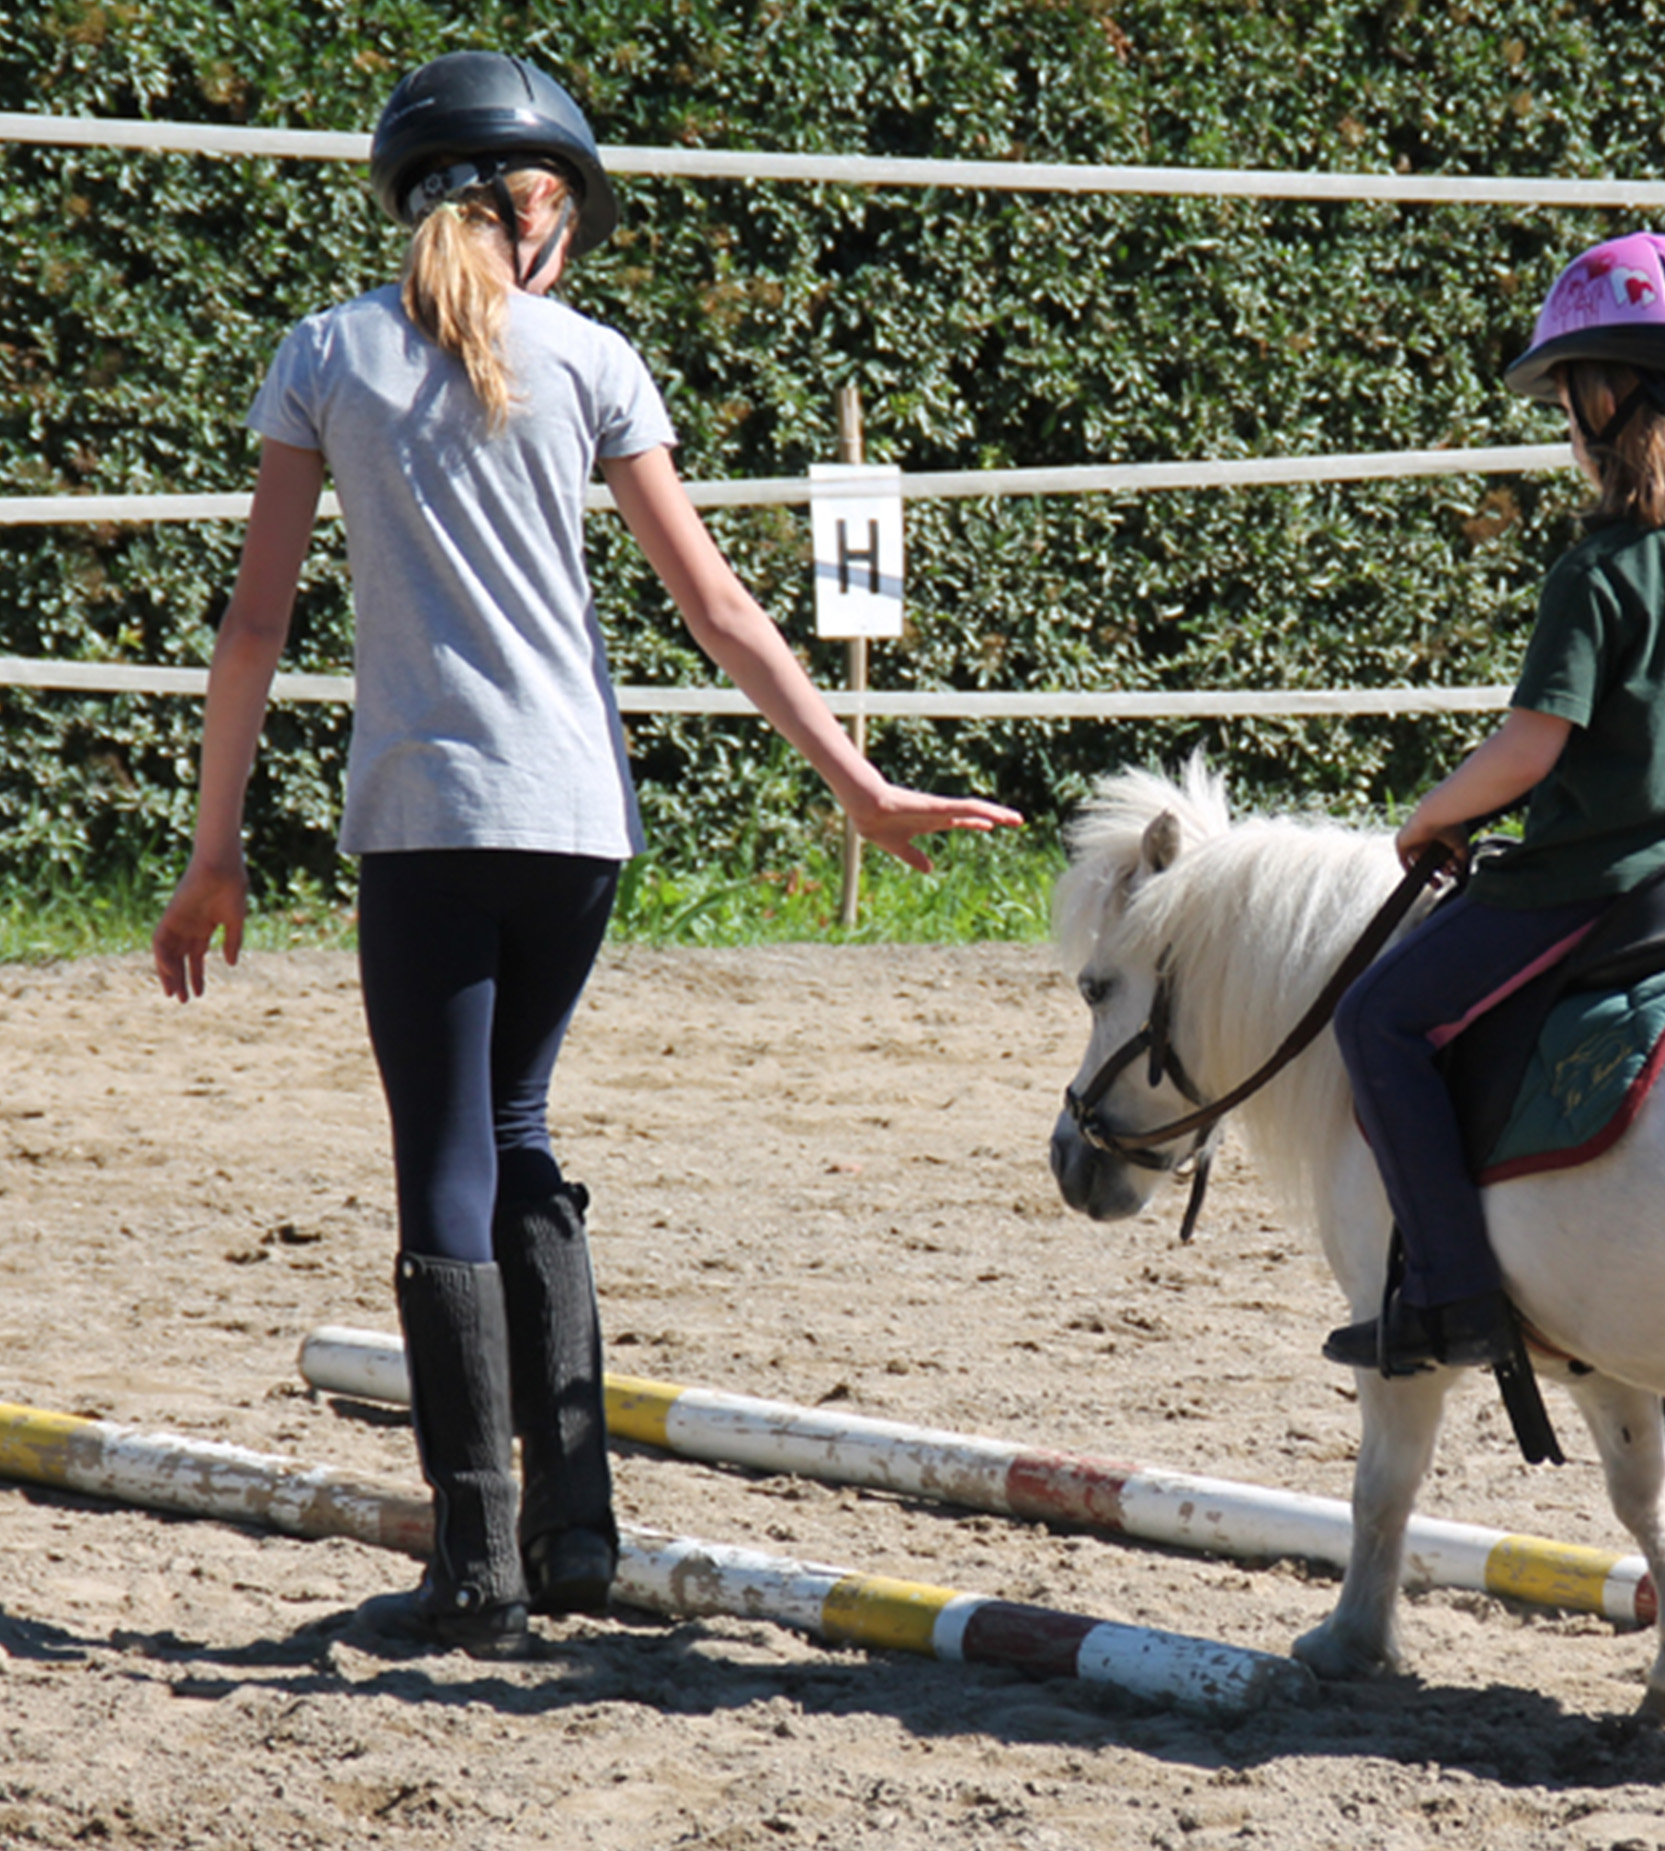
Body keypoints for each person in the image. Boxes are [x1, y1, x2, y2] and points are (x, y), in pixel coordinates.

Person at [150, 52, 1022, 1657]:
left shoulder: (326, 355)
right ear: (530, 206)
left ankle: (475, 1563)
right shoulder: (597, 359)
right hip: (580, 819)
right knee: (523, 1126)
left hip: (429, 814)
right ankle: (577, 1536)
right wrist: (860, 785)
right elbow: (722, 609)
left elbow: (256, 621)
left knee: (448, 1160)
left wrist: (217, 848)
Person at [1324, 231, 1665, 1377]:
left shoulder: (1596, 571)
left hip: (1592, 885)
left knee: (1376, 1025)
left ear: (1602, 399)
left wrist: (1429, 819)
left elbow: (1530, 750)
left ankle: (1450, 1296)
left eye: (1568, 397)